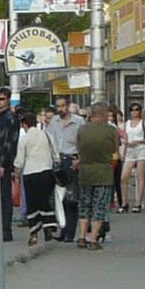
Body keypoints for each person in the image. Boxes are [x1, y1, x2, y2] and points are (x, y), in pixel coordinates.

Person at [75, 102, 120, 249]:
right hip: (103, 173)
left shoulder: (82, 130)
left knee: (84, 205)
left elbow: (78, 147)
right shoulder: (111, 131)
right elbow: (115, 149)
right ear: (103, 114)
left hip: (85, 172)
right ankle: (93, 239)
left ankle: (82, 236)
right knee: (99, 206)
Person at [15, 94, 57, 244]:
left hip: (30, 174)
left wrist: (16, 174)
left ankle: (33, 235)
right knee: (45, 201)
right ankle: (48, 228)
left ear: (25, 124)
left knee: (32, 204)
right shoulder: (46, 135)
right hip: (47, 173)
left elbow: (20, 160)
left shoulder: (24, 139)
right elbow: (56, 155)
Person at [45, 99, 82, 241]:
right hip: (56, 161)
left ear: (68, 107)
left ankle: (70, 233)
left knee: (71, 198)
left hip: (72, 161)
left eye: (62, 106)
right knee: (57, 198)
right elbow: (48, 139)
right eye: (58, 106)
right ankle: (62, 230)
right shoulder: (54, 121)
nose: (60, 109)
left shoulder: (78, 122)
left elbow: (83, 142)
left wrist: (79, 160)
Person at [0, 86, 20, 241]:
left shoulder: (10, 117)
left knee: (4, 196)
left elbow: (9, 143)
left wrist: (3, 164)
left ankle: (6, 230)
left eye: (2, 98)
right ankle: (1, 228)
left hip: (3, 162)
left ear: (8, 99)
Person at [120, 106, 145, 212]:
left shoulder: (143, 123)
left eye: (136, 110)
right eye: (132, 109)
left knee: (140, 176)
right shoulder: (127, 124)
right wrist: (125, 147)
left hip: (141, 149)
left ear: (140, 111)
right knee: (124, 176)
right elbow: (126, 138)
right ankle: (124, 202)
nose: (134, 112)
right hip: (130, 151)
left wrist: (139, 141)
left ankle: (138, 203)